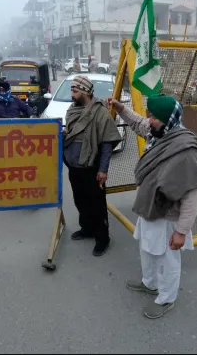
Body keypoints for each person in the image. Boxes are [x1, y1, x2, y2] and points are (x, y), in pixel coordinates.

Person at [108, 94, 197, 319]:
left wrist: (181, 231)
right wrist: (120, 108)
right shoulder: (160, 133)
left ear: (167, 118)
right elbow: (137, 122)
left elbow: (194, 195)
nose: (148, 119)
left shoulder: (186, 150)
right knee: (147, 248)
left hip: (169, 216)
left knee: (167, 259)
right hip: (150, 208)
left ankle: (166, 298)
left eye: (153, 116)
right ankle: (150, 283)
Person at [64, 75, 122, 257]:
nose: (72, 93)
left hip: (92, 168)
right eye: (72, 89)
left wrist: (103, 170)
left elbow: (106, 144)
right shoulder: (72, 110)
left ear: (86, 92)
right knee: (80, 202)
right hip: (74, 167)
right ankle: (87, 229)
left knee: (96, 205)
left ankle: (102, 238)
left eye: (75, 90)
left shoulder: (100, 113)